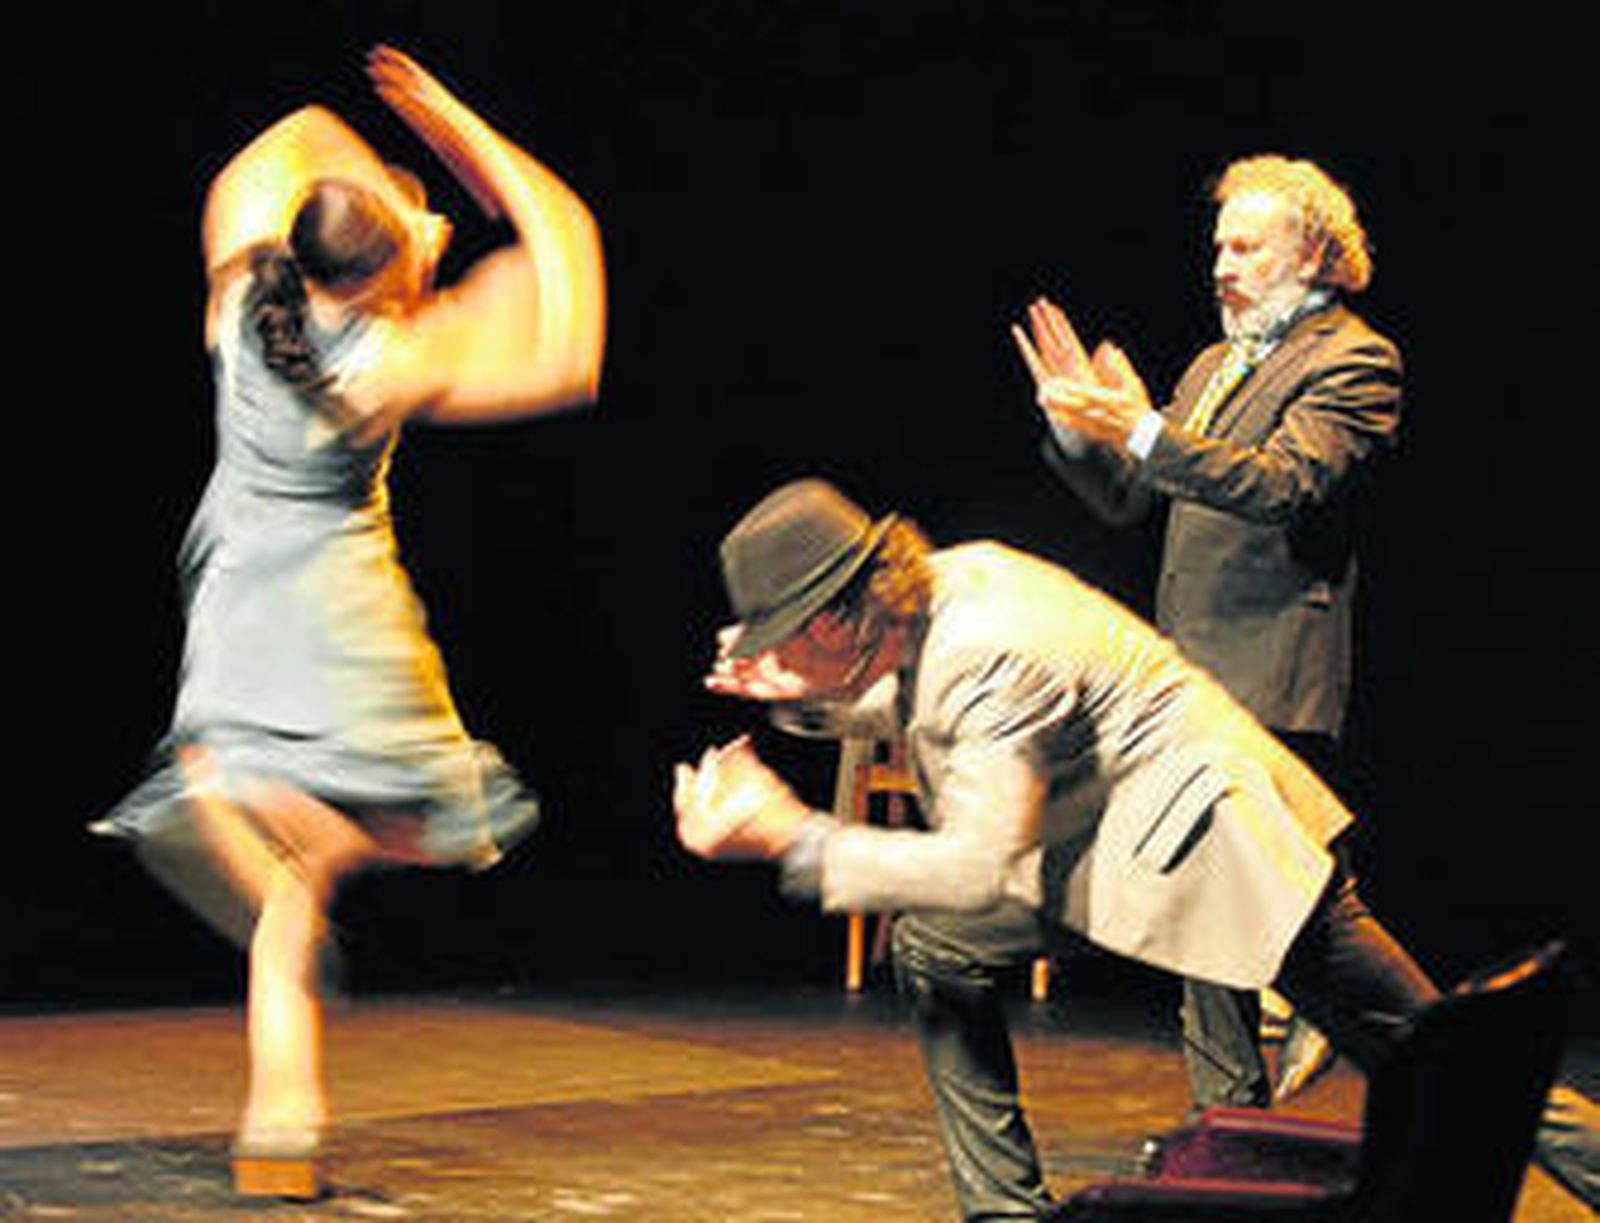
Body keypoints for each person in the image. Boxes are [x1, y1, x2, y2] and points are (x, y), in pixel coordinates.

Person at [672, 477, 1597, 1219]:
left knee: (1445, 1064)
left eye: (788, 638)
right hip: (1116, 841)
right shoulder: (939, 589)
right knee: (936, 948)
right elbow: (922, 705)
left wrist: (791, 836)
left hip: (1223, 849)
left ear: (835, 619)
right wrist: (792, 697)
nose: (782, 653)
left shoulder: (983, 645)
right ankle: (1005, 1209)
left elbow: (971, 863)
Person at [92, 46, 606, 1199]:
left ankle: (281, 1115)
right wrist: (454, 131)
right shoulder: (390, 359)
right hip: (334, 614)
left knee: (283, 870)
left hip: (237, 607)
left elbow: (286, 141)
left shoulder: (241, 297)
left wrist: (369, 184)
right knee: (420, 818)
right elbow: (565, 301)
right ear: (374, 280)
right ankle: (294, 842)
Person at [1013, 155, 1396, 1109]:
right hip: (1192, 673)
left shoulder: (1354, 361)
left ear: (1310, 252)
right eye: (1217, 243)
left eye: (1245, 245)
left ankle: (1384, 1054)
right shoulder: (1213, 365)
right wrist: (1081, 431)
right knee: (1207, 903)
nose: (1220, 262)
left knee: (1279, 916)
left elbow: (1280, 484)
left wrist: (1140, 426)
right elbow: (1129, 499)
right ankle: (1232, 1117)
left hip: (1272, 668)